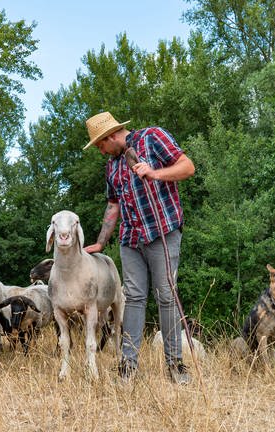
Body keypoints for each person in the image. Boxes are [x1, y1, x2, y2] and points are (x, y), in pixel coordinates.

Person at [82, 111, 195, 384]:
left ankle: (175, 364)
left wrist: (154, 173)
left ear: (110, 136)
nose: (100, 151)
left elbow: (187, 166)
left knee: (167, 296)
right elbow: (113, 205)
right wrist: (100, 241)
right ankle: (128, 366)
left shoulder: (151, 138)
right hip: (131, 240)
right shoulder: (112, 166)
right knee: (133, 297)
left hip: (162, 233)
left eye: (100, 145)